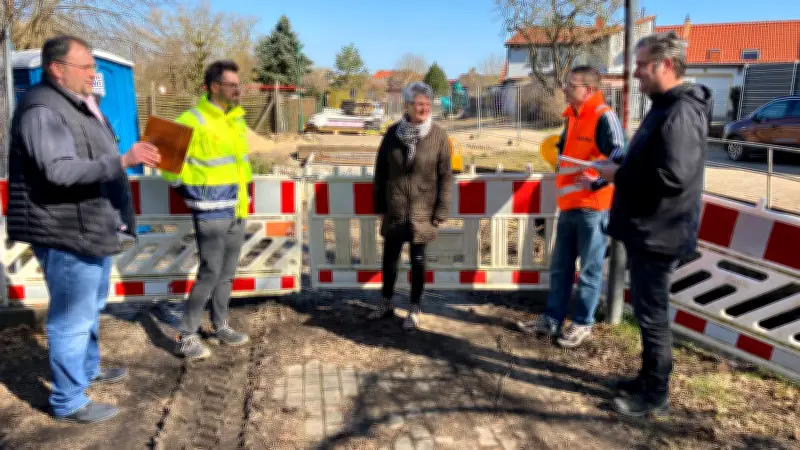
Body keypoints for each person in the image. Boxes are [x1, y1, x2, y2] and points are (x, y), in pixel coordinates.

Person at [7, 35, 161, 423]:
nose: (94, 74)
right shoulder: (42, 109)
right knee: (71, 319)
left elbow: (94, 151)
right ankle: (68, 400)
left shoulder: (79, 104)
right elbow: (58, 170)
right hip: (65, 230)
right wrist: (124, 160)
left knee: (88, 308)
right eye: (87, 67)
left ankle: (86, 370)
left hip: (90, 224)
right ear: (57, 69)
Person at [593, 31, 711, 417]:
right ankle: (646, 377)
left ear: (665, 65)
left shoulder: (679, 111)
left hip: (661, 233)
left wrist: (618, 176)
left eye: (642, 65)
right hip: (650, 229)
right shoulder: (665, 106)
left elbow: (672, 176)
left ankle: (655, 393)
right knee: (647, 311)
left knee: (652, 314)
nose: (636, 72)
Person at [517, 66, 626, 348]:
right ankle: (552, 319)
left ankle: (582, 323)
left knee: (589, 270)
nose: (564, 89)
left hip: (592, 207)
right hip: (569, 205)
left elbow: (619, 156)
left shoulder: (603, 116)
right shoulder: (573, 117)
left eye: (570, 85)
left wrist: (597, 182)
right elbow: (566, 155)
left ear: (588, 90)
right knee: (560, 267)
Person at [161, 60, 253, 360]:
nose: (238, 89)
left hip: (236, 209)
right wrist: (187, 190)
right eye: (233, 85)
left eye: (239, 85)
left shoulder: (235, 120)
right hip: (211, 211)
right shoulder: (191, 119)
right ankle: (186, 335)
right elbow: (165, 162)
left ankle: (219, 325)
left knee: (227, 273)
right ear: (215, 87)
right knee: (210, 273)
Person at [369, 82, 453, 330]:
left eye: (427, 104)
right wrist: (380, 205)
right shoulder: (393, 133)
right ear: (407, 106)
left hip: (422, 210)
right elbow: (380, 171)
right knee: (389, 260)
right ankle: (385, 303)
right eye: (419, 104)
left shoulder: (438, 135)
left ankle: (414, 307)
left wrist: (441, 210)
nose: (424, 108)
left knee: (418, 260)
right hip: (395, 207)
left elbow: (446, 175)